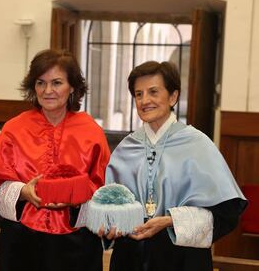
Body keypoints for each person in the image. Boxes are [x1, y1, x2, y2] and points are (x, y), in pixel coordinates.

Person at [102, 61, 247, 271]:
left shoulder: (198, 144)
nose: (145, 100)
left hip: (182, 257)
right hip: (131, 257)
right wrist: (111, 224)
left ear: (173, 97)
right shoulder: (126, 148)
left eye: (153, 92)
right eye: (138, 94)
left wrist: (169, 221)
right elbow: (110, 207)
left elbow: (226, 212)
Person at [0, 49, 111, 271]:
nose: (48, 90)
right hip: (23, 241)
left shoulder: (91, 132)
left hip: (77, 243)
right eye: (41, 83)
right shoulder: (14, 129)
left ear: (72, 87)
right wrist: (23, 191)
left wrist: (75, 196)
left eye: (57, 83)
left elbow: (104, 190)